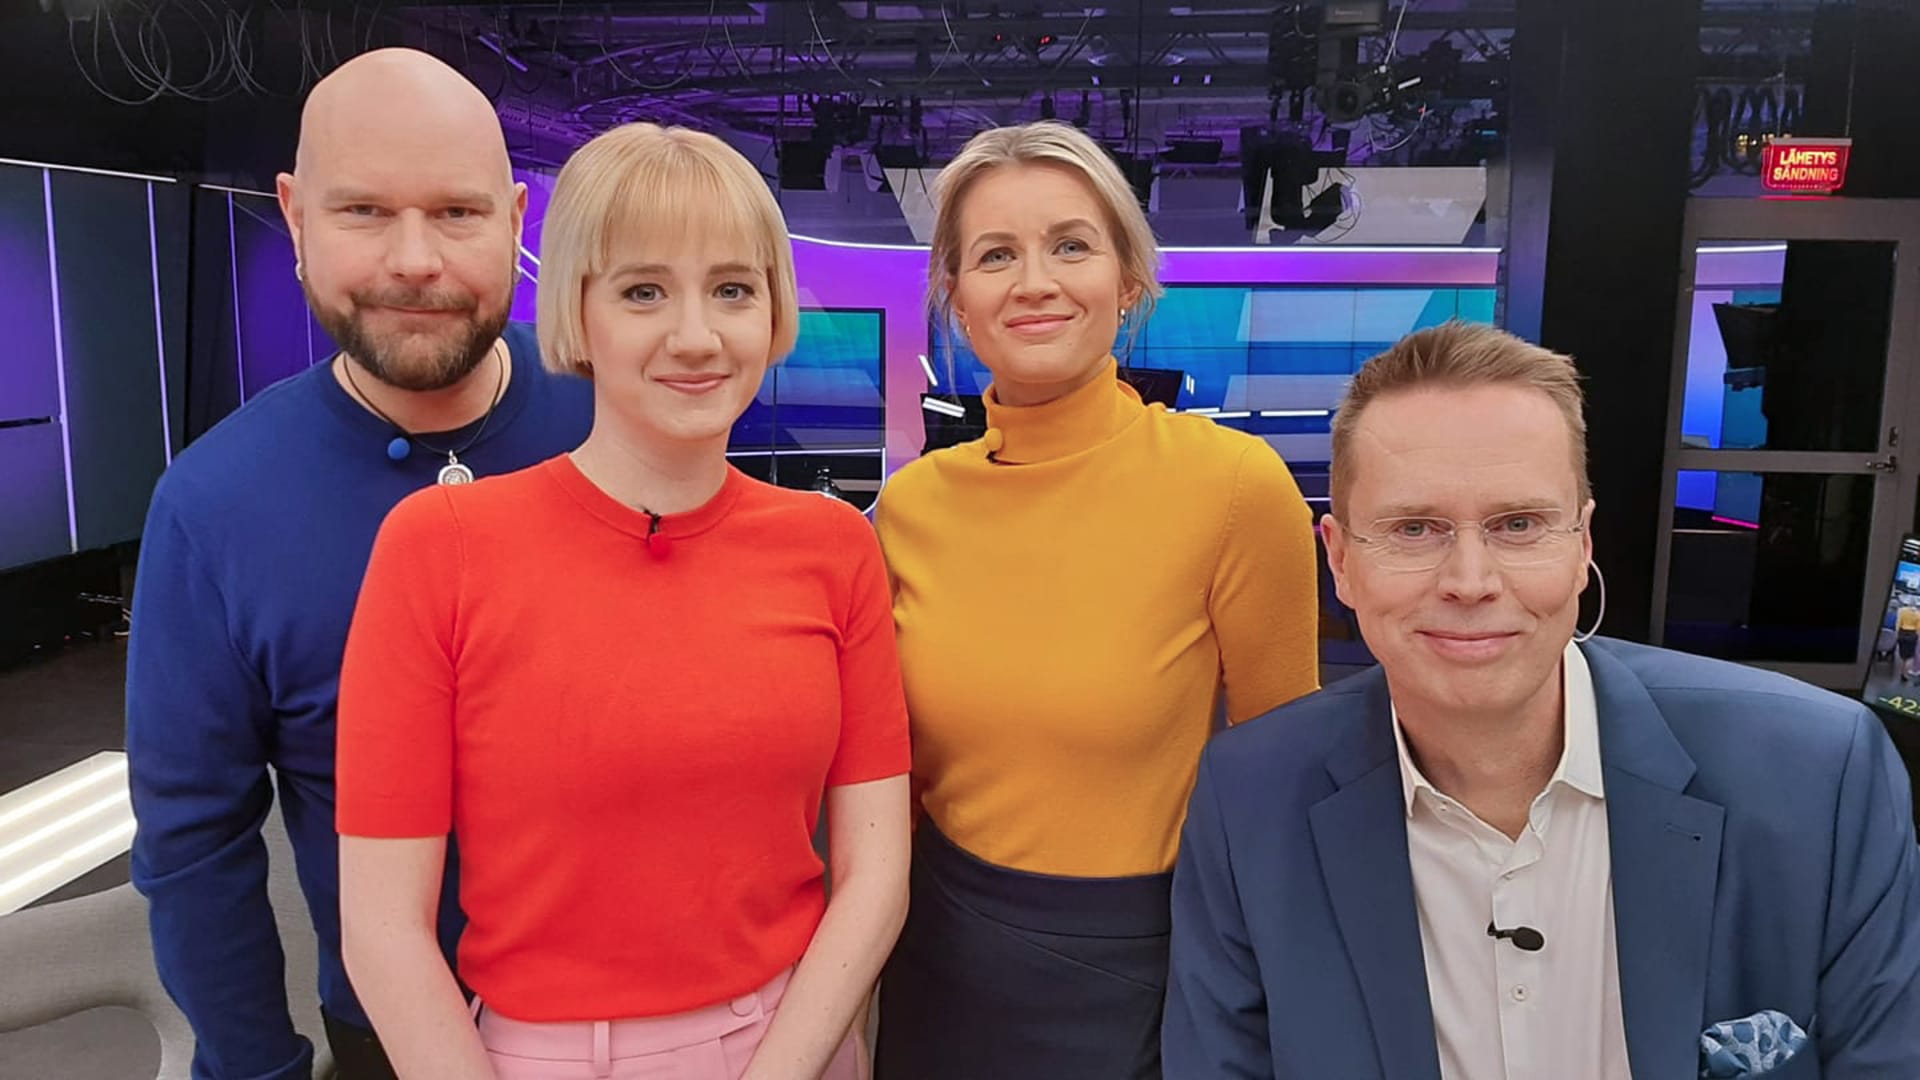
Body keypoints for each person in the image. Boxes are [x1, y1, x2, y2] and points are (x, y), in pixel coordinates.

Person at [1163, 321, 1920, 1078]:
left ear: (1582, 546)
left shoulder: (1820, 777)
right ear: (1340, 560)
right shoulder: (1249, 803)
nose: (1470, 581)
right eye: (1415, 528)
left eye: (1518, 525)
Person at [334, 121, 912, 1080]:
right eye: (644, 291)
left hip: (794, 1045)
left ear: (774, 311)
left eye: (733, 289)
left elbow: (876, 873)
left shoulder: (833, 548)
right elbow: (382, 926)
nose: (696, 336)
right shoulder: (440, 549)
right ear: (578, 311)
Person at [125, 49, 592, 1080]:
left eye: (458, 213)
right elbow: (195, 849)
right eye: (365, 212)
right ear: (296, 218)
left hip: (669, 1012)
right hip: (391, 1036)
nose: (415, 259)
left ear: (518, 220)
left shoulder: (616, 418)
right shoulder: (214, 507)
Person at [872, 120, 1320, 1080]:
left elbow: (1287, 790)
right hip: (937, 954)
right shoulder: (910, 507)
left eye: (1070, 246)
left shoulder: (1232, 487)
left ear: (1128, 281)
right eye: (996, 255)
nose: (1034, 281)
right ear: (957, 296)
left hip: (1140, 972)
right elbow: (894, 788)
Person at [1896, 604, 1917, 680]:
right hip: (1912, 634)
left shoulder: (1903, 612)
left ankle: (1902, 671)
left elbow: (1898, 624)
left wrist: (1898, 633)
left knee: (1903, 656)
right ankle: (1904, 674)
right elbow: (1918, 628)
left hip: (1902, 633)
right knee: (1910, 657)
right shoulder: (1918, 615)